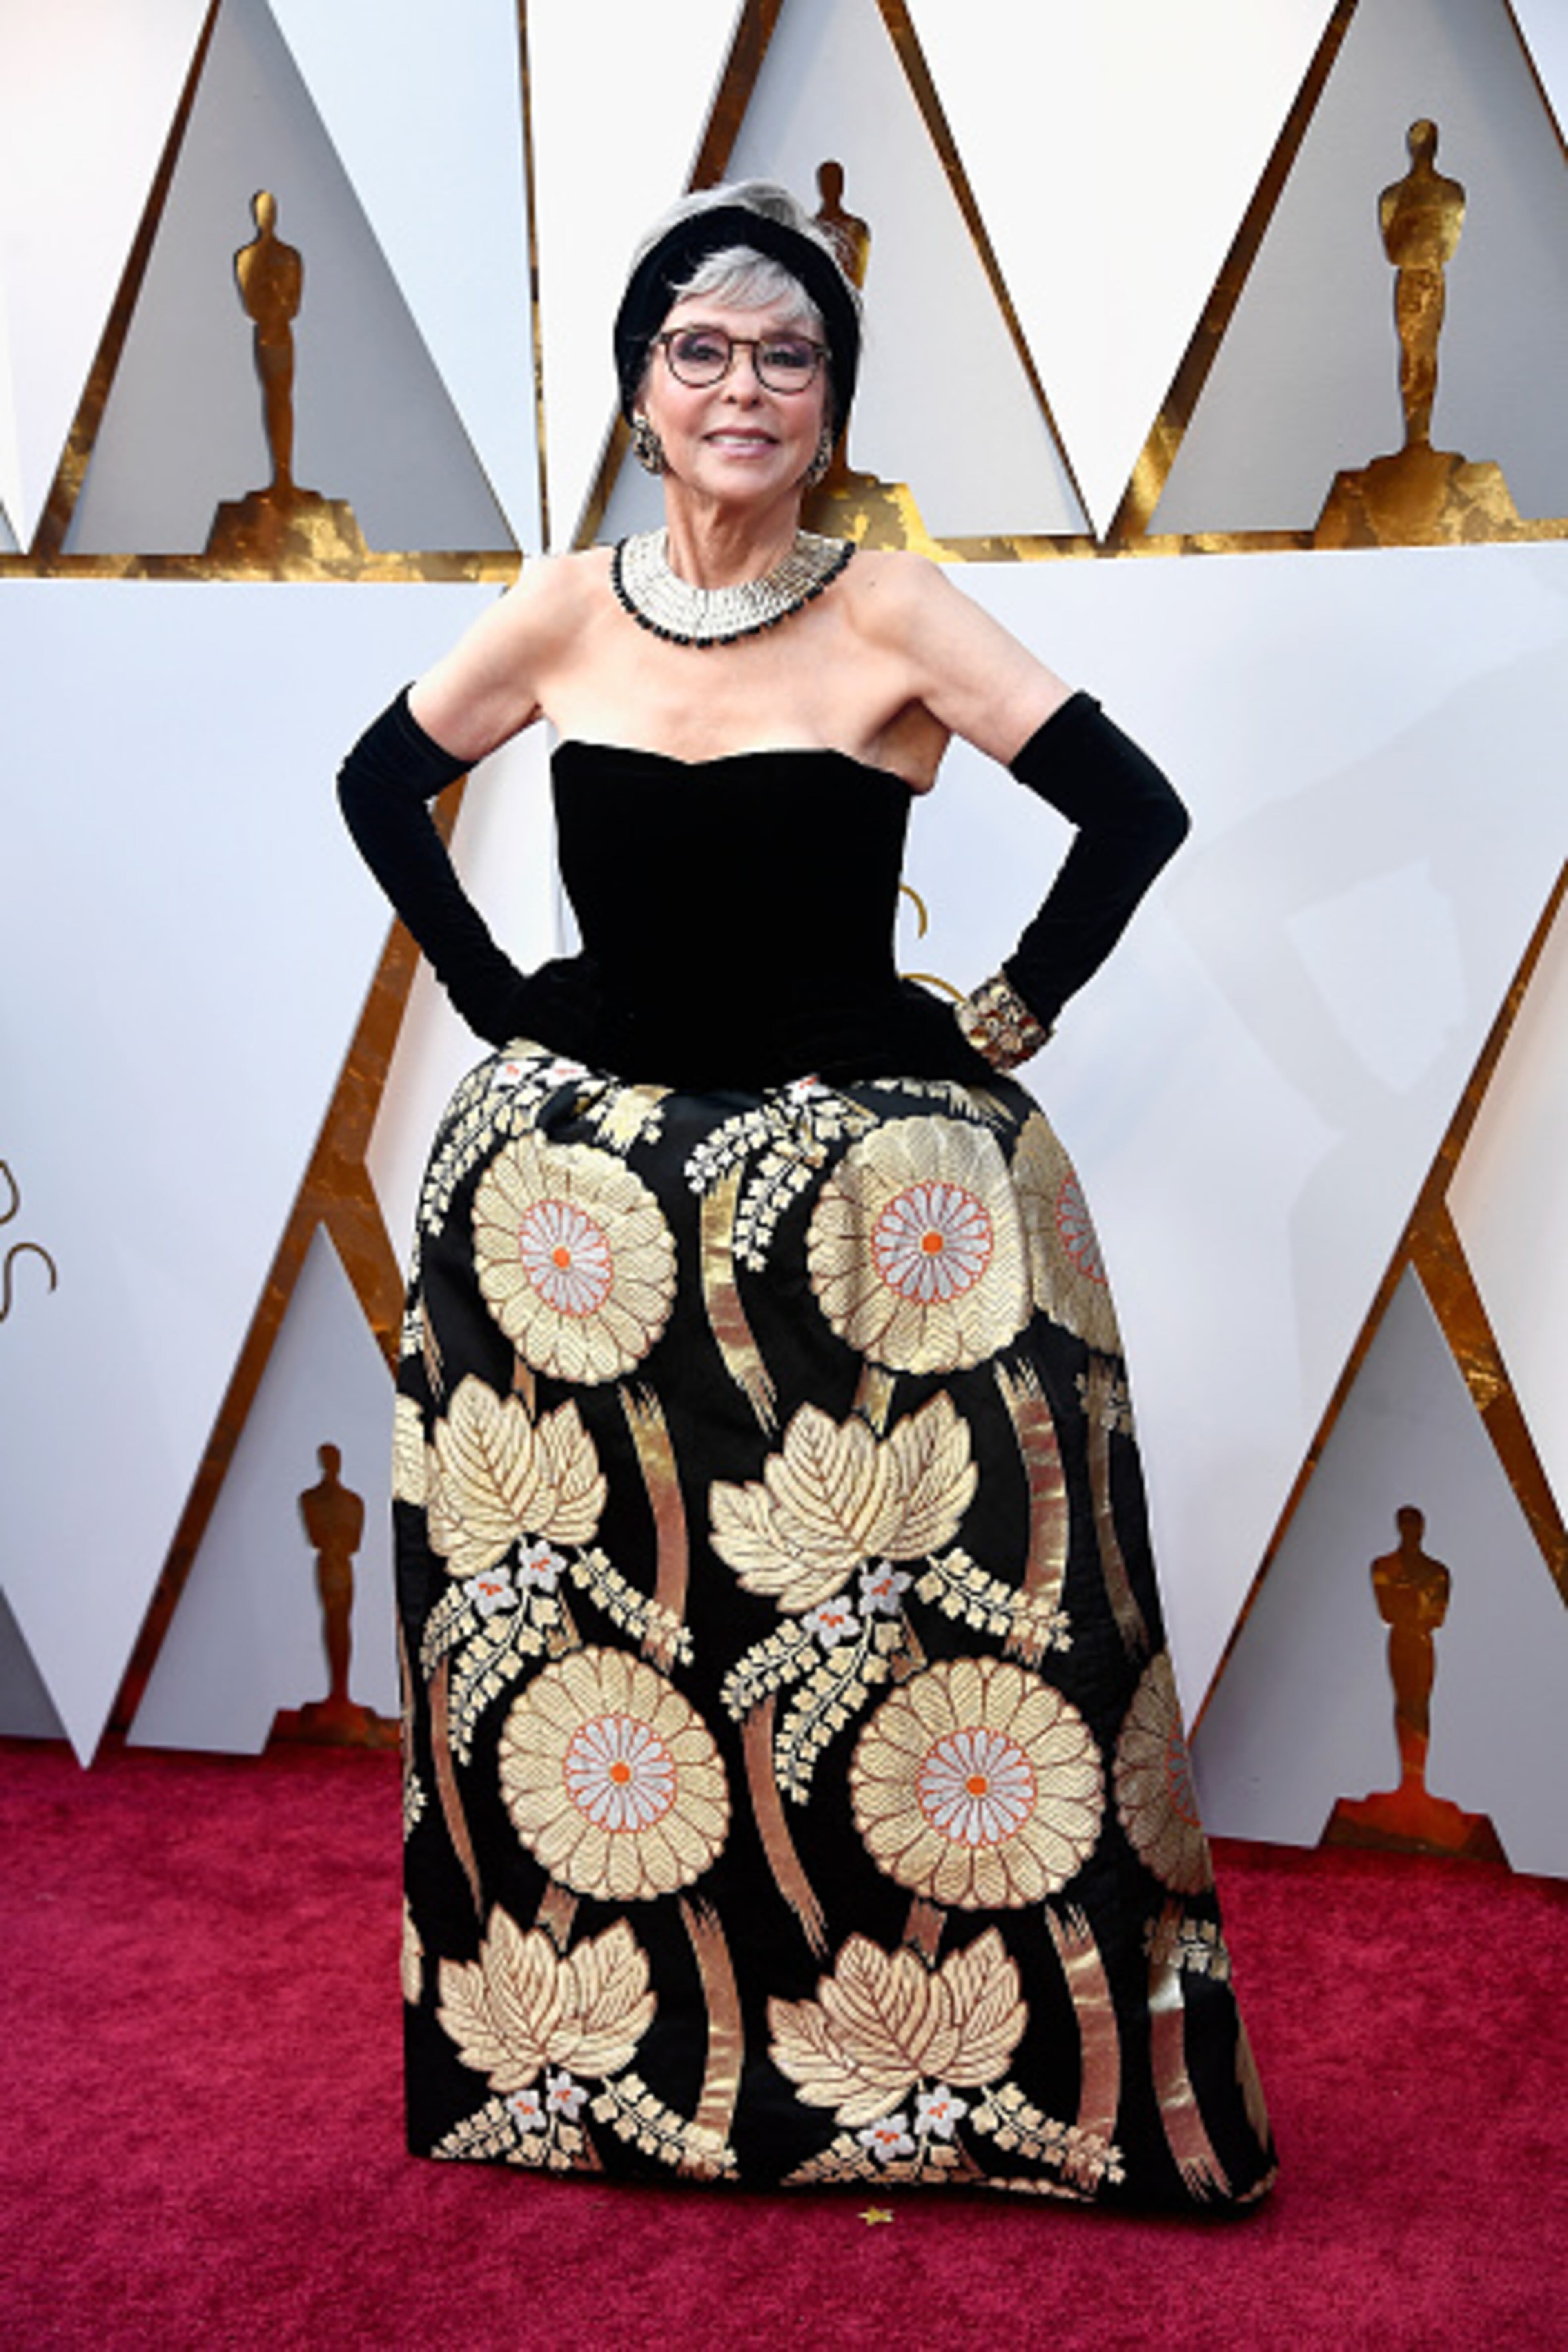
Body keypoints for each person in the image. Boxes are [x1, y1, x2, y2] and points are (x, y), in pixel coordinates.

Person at [339, 181, 1275, 2207]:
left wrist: (1010, 1006)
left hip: (863, 1214)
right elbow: (373, 783)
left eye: (789, 357)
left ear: (830, 407)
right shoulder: (568, 606)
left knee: (935, 1641)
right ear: (640, 393)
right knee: (593, 1639)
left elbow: (1134, 809)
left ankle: (973, 2083)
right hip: (579, 1228)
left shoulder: (895, 607)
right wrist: (506, 998)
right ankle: (589, 2073)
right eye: (702, 349)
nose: (744, 385)